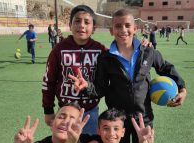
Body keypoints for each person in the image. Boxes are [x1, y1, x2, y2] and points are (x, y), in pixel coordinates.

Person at [69, 9, 187, 143]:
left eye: (127, 25)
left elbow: (165, 68)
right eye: (118, 26)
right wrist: (87, 86)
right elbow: (101, 88)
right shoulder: (105, 58)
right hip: (117, 121)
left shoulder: (148, 52)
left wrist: (182, 88)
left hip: (143, 118)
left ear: (135, 29)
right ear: (111, 31)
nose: (123, 30)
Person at [42, 5, 150, 135]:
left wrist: (140, 45)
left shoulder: (101, 51)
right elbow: (49, 81)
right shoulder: (58, 50)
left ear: (94, 28)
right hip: (66, 111)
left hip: (91, 111)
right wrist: (48, 110)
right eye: (77, 21)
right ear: (70, 25)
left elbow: (122, 54)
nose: (82, 25)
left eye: (87, 22)